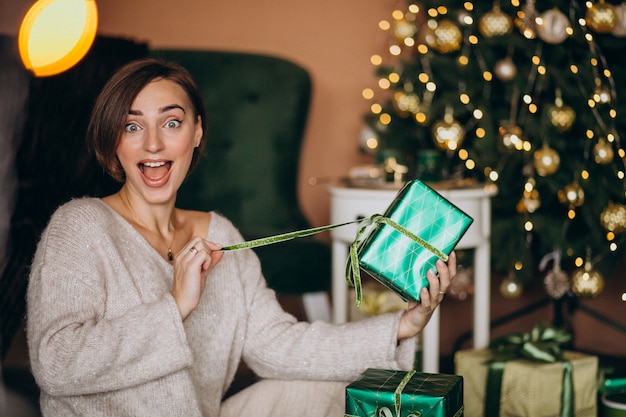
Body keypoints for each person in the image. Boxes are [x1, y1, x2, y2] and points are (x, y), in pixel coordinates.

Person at [26, 58, 456, 417]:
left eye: (171, 123)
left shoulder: (220, 234)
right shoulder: (79, 226)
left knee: (338, 389)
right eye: (132, 126)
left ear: (196, 133)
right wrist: (175, 306)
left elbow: (277, 345)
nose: (153, 145)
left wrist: (403, 325)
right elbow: (56, 364)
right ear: (113, 141)